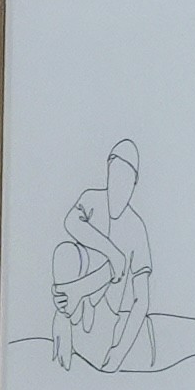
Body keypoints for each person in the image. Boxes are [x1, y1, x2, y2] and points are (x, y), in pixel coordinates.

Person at [49, 138, 157, 373]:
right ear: (108, 174)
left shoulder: (136, 228)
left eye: (126, 180)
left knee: (118, 265)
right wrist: (111, 251)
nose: (119, 186)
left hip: (104, 320)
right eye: (115, 176)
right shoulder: (91, 199)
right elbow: (71, 222)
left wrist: (119, 353)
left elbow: (142, 300)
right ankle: (66, 313)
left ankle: (72, 300)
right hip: (75, 311)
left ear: (134, 184)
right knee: (65, 251)